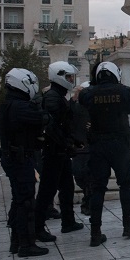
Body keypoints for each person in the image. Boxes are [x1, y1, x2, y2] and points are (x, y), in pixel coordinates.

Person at [78, 62, 130, 247]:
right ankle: (128, 225)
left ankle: (95, 232)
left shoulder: (88, 94)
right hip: (120, 146)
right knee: (126, 185)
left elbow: (79, 119)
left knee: (97, 188)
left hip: (97, 147)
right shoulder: (126, 92)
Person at [0, 68, 49, 257]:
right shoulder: (20, 106)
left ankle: (16, 241)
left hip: (13, 157)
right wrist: (41, 108)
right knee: (26, 202)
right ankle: (27, 245)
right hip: (19, 158)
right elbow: (42, 119)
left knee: (19, 200)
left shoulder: (9, 104)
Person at [33, 61, 85, 240]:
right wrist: (67, 144)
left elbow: (64, 126)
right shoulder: (53, 97)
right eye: (69, 77)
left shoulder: (58, 95)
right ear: (59, 76)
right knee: (47, 190)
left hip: (60, 151)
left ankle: (68, 221)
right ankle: (37, 228)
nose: (71, 80)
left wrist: (74, 142)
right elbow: (53, 127)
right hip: (54, 151)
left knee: (67, 187)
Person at [70, 81, 92, 216]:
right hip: (79, 147)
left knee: (90, 176)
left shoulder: (95, 110)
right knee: (79, 175)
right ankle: (88, 197)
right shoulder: (75, 108)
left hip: (90, 147)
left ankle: (88, 202)